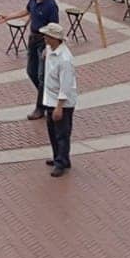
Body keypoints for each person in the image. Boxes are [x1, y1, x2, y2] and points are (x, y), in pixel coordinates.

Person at [2, 0, 59, 117]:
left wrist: (48, 46)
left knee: (42, 75)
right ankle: (46, 96)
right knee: (31, 71)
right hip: (33, 39)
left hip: (44, 40)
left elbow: (54, 27)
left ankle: (40, 107)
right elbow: (27, 11)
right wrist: (8, 17)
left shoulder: (51, 5)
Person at [40, 22, 77, 174]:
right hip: (50, 98)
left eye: (47, 36)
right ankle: (59, 157)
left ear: (54, 38)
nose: (45, 38)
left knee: (61, 133)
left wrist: (59, 106)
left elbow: (66, 86)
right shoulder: (50, 49)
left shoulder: (65, 59)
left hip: (61, 102)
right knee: (52, 131)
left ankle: (62, 162)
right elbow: (46, 51)